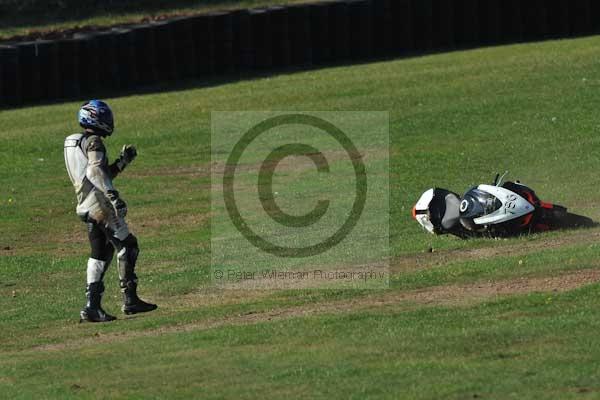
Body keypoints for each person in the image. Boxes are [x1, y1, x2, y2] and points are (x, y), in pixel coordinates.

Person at [64, 100, 157, 322]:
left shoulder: (73, 141)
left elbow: (96, 174)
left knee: (101, 252)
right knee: (128, 245)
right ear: (94, 118)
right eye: (105, 117)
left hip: (84, 203)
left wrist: (122, 162)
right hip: (99, 205)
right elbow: (97, 173)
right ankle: (130, 300)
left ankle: (92, 307)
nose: (109, 121)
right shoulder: (94, 141)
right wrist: (113, 197)